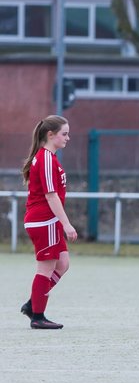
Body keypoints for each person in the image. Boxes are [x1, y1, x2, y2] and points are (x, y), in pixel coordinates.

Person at [19, 116, 77, 330]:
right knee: (46, 267)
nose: (68, 138)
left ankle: (33, 304)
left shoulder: (49, 157)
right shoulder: (45, 158)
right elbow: (51, 196)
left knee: (63, 264)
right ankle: (38, 316)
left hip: (48, 220)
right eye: (64, 134)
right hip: (44, 220)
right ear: (50, 135)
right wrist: (67, 224)